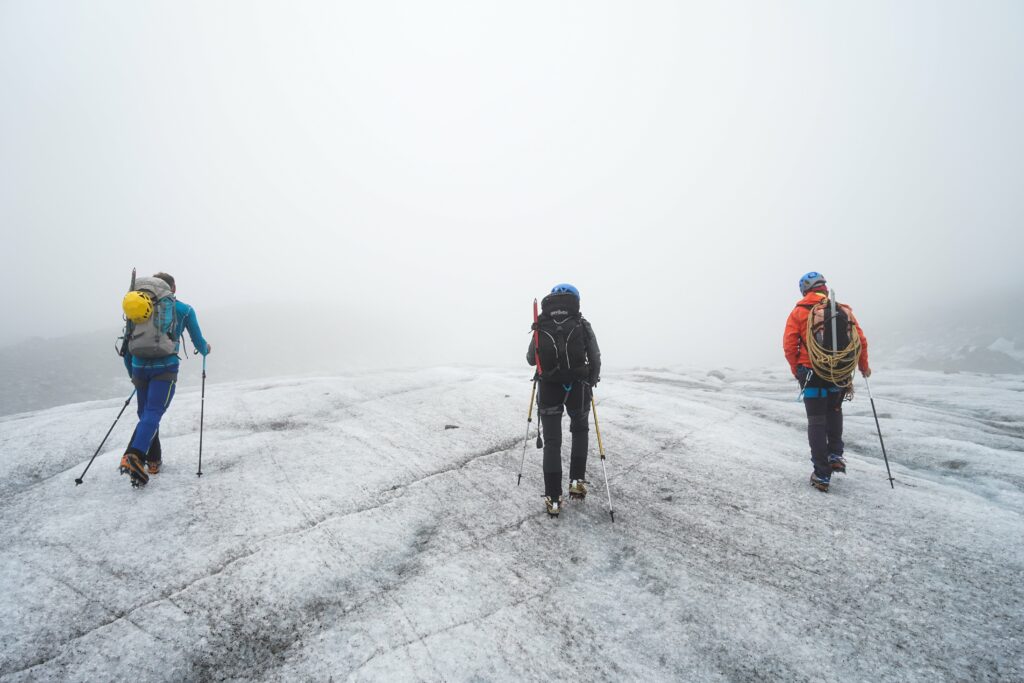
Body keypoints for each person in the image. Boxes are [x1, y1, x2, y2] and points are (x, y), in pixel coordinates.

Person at [119, 272, 210, 487]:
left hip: (139, 366)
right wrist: (205, 349)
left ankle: (152, 461)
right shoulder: (183, 309)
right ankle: (134, 455)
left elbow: (128, 343)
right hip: (164, 367)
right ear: (172, 289)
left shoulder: (140, 305)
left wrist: (133, 373)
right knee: (153, 413)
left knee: (145, 414)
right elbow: (199, 342)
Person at [783, 272, 870, 493]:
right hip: (838, 373)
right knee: (834, 409)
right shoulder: (843, 310)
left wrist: (797, 370)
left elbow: (790, 344)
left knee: (816, 421)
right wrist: (863, 366)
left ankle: (822, 475)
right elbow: (860, 339)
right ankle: (835, 454)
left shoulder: (800, 311)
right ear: (823, 287)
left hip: (811, 372)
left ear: (805, 289)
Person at [526, 284, 601, 516]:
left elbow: (531, 359)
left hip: (548, 387)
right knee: (579, 431)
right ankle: (577, 482)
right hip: (578, 386)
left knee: (552, 442)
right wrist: (592, 379)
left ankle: (554, 498)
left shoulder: (542, 324)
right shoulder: (581, 323)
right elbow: (595, 357)